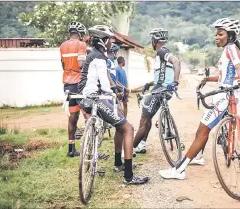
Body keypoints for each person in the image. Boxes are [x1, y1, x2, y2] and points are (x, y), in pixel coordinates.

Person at [158, 17, 240, 179]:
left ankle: (179, 170)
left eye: (220, 34)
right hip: (226, 94)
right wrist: (206, 79)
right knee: (201, 130)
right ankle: (198, 157)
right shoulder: (229, 49)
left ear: (229, 35)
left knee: (202, 131)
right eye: (216, 34)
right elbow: (226, 76)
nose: (216, 37)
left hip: (225, 97)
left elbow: (239, 69)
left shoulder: (231, 49)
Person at [77, 25, 148, 184]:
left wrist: (116, 89)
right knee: (128, 128)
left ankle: (117, 163)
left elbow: (105, 78)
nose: (111, 43)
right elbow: (104, 82)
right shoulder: (100, 58)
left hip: (84, 98)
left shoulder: (92, 54)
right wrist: (115, 97)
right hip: (96, 99)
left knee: (119, 124)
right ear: (104, 41)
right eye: (110, 40)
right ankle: (129, 176)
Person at [133, 28, 181, 154]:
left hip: (160, 91)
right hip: (164, 90)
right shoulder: (163, 54)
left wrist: (176, 81)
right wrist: (149, 83)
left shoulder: (161, 51)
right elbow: (163, 77)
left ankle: (128, 149)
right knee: (148, 117)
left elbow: (176, 62)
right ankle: (142, 144)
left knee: (144, 119)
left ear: (155, 40)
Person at [60, 21, 87, 157]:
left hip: (67, 84)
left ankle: (71, 149)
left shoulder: (62, 46)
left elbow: (63, 64)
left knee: (73, 117)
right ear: (80, 34)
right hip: (79, 84)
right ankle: (90, 147)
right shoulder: (81, 44)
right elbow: (81, 64)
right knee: (88, 114)